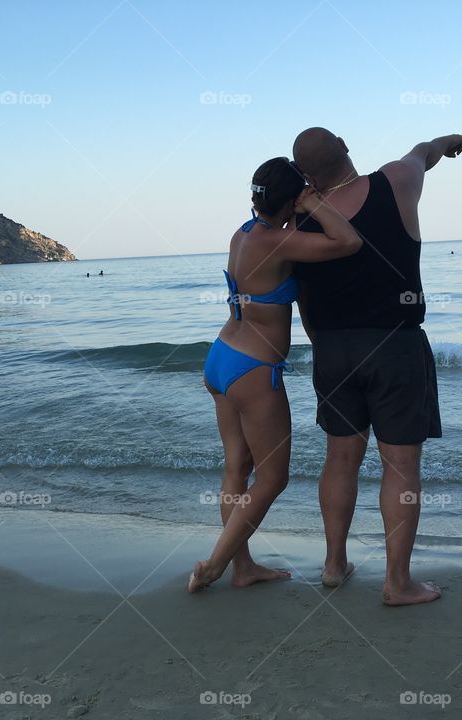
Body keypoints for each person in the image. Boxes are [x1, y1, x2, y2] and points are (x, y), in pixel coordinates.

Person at [291, 128, 462, 605]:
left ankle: (333, 565)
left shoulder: (299, 224)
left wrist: (327, 344)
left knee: (340, 458)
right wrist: (450, 141)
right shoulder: (394, 182)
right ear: (345, 145)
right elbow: (423, 152)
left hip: (331, 350)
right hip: (395, 346)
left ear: (305, 175)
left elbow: (302, 304)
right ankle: (397, 582)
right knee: (402, 466)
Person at [188, 157, 362, 592]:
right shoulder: (280, 243)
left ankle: (241, 567)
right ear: (290, 200)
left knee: (236, 467)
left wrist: (295, 203)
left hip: (222, 355)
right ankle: (214, 565)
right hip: (253, 370)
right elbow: (349, 240)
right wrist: (315, 204)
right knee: (272, 478)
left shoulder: (243, 234)